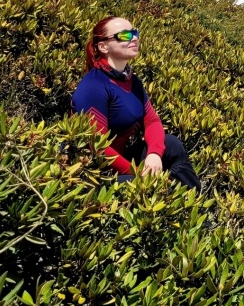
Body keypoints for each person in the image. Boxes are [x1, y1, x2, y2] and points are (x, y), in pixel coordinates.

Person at [71, 16, 200, 191]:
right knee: (153, 188)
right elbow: (96, 145)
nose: (133, 38)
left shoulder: (132, 81)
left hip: (121, 161)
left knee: (171, 145)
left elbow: (152, 121)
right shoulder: (94, 86)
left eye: (134, 32)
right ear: (103, 46)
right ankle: (176, 208)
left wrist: (154, 154)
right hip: (95, 175)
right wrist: (135, 172)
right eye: (124, 35)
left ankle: (194, 206)